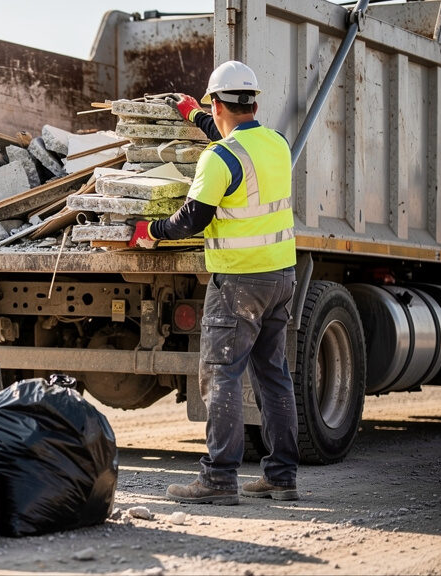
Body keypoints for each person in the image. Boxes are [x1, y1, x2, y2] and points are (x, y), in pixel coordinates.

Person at [129, 61, 299, 504]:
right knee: (274, 375)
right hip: (281, 276)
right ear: (255, 103)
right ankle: (282, 478)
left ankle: (219, 479)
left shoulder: (217, 158)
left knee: (221, 376)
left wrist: (151, 232)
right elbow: (236, 142)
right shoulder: (278, 144)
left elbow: (193, 218)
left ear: (217, 102)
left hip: (239, 282)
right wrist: (194, 116)